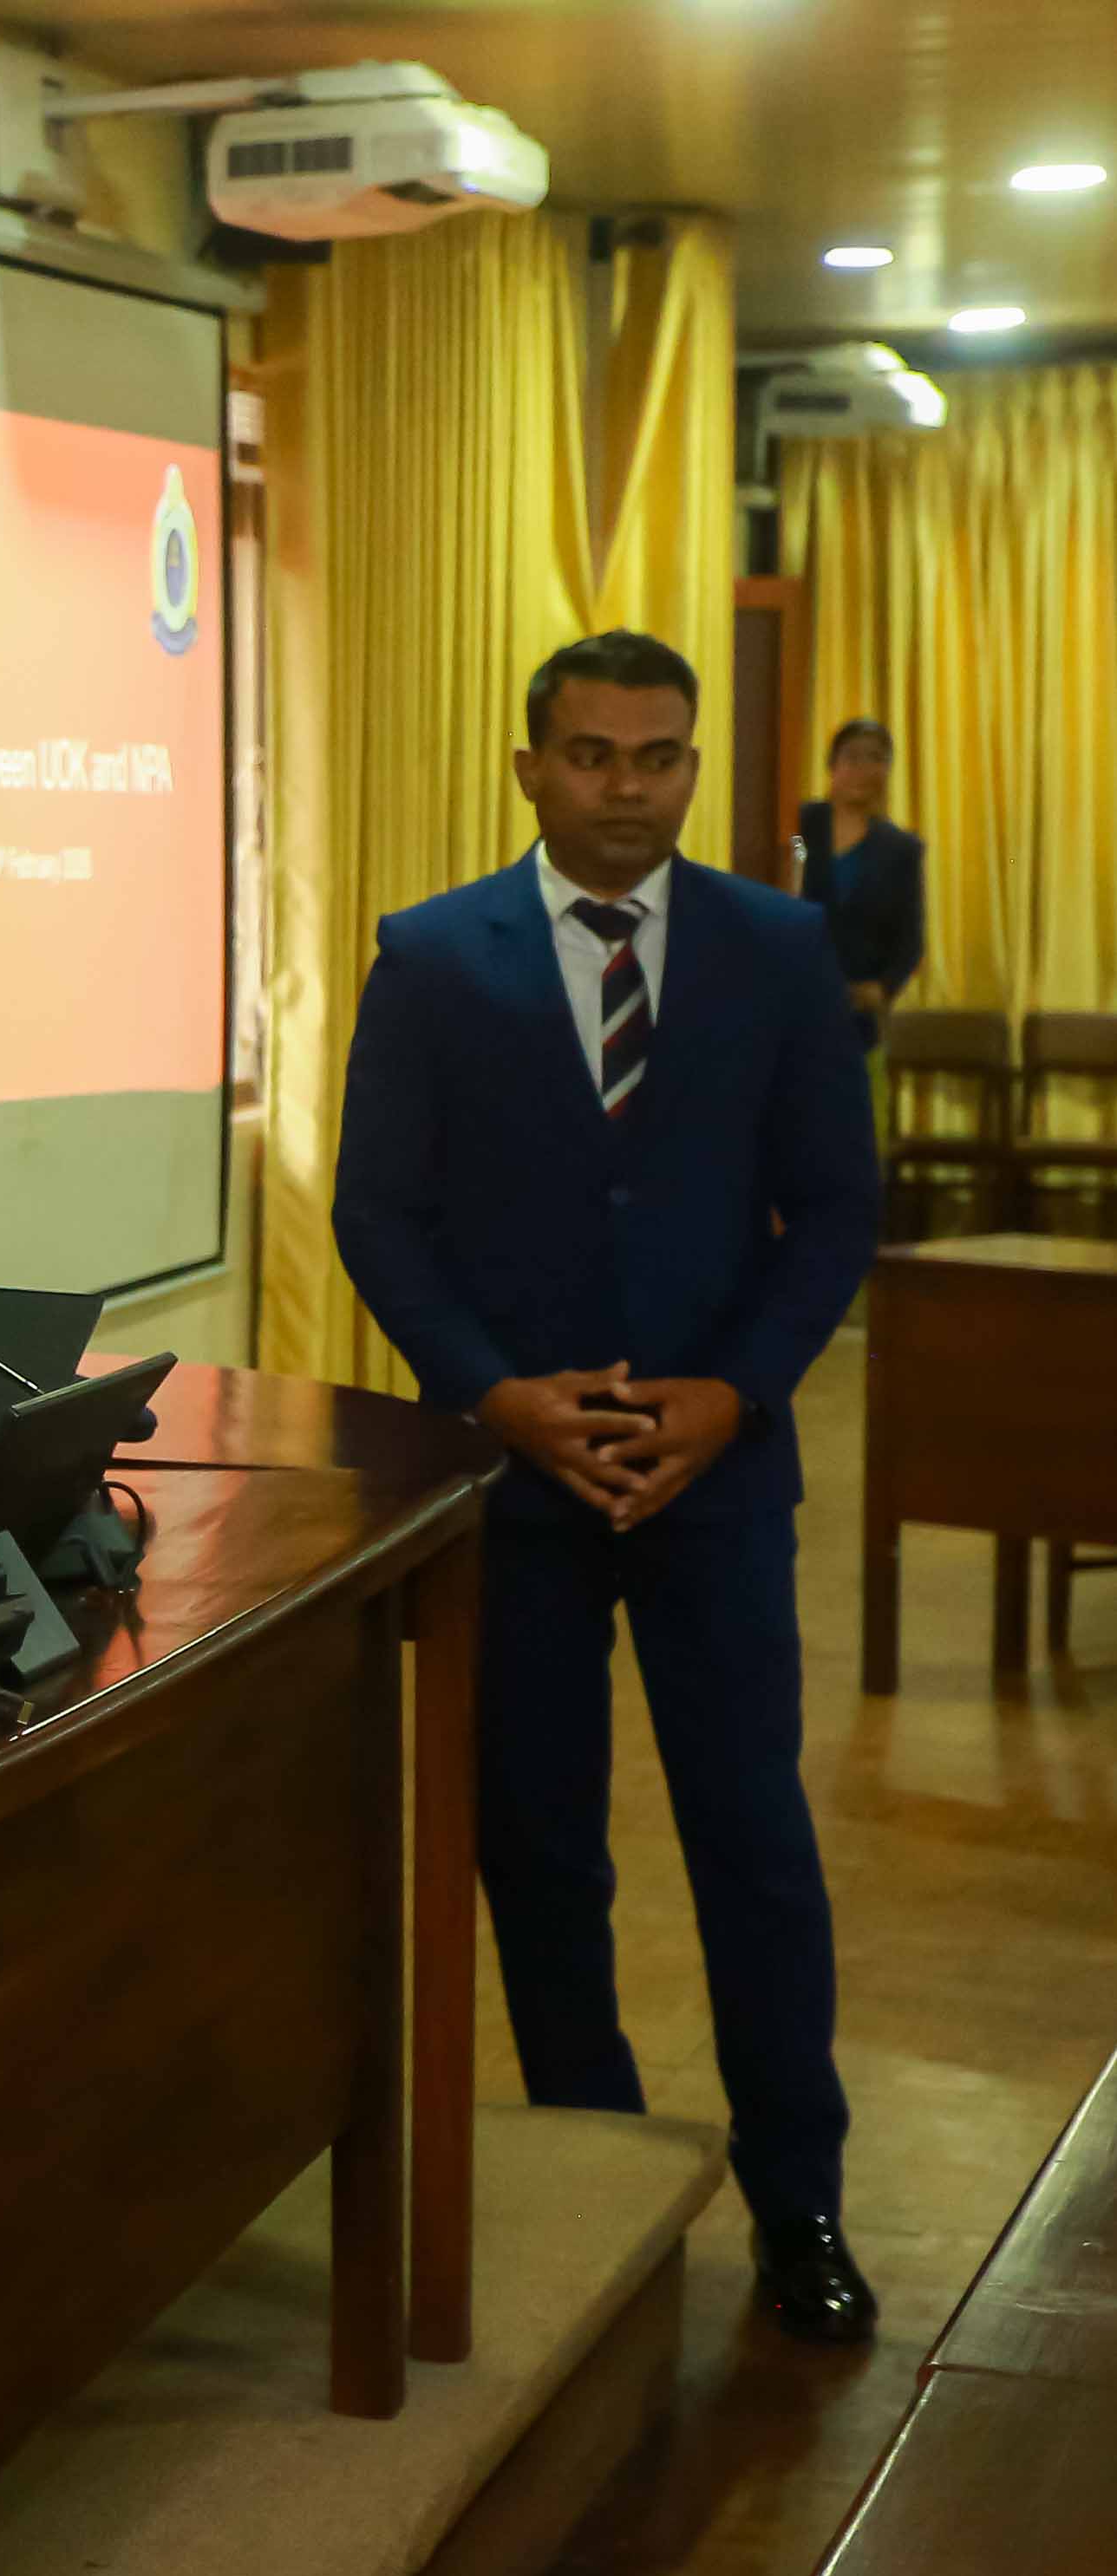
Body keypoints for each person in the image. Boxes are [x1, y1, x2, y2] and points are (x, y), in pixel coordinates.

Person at [333, 629, 885, 2344]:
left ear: (693, 768)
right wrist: (496, 1398)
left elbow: (837, 1207)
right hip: (518, 1487)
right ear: (530, 767)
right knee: (538, 1850)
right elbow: (378, 1214)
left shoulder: (777, 949)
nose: (626, 788)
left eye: (658, 757)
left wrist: (737, 1392)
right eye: (591, 755)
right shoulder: (433, 958)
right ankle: (601, 2176)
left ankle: (798, 2196)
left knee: (753, 1842)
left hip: (715, 1476)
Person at [795, 717, 928, 1052]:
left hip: (858, 1016)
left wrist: (882, 989)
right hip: (794, 1001)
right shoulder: (799, 826)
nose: (864, 769)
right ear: (832, 766)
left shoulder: (902, 850)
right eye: (853, 757)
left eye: (876, 758)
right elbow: (784, 877)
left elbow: (911, 938)